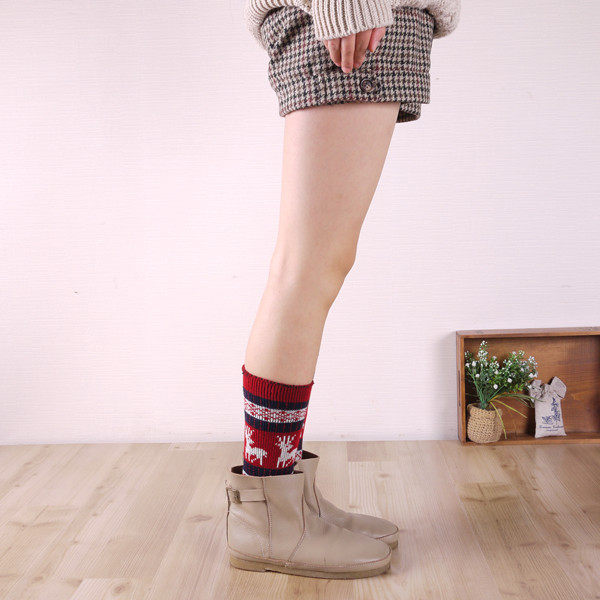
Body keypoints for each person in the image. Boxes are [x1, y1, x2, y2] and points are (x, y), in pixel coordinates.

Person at [225, 0, 461, 579]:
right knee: (305, 269)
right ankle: (268, 512)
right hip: (354, 24)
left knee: (316, 264)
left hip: (376, 27)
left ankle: (288, 497)